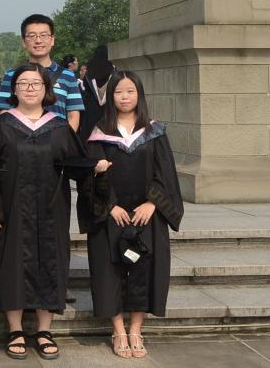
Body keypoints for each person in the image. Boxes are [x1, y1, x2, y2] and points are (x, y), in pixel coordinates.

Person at [0, 62, 105, 361]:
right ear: (14, 89)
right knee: (11, 263)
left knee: (50, 262)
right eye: (23, 83)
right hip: (11, 209)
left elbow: (76, 168)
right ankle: (15, 329)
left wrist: (95, 170)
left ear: (46, 89)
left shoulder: (59, 127)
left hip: (51, 210)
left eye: (36, 83)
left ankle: (44, 330)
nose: (29, 89)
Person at [81, 71, 183, 360]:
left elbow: (166, 173)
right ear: (109, 96)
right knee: (107, 271)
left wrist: (153, 203)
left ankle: (136, 329)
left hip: (146, 215)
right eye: (118, 92)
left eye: (130, 91)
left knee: (145, 270)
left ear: (139, 94)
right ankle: (118, 330)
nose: (124, 97)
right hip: (110, 215)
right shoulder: (99, 132)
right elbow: (89, 176)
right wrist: (109, 205)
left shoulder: (154, 131)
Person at [0, 14, 84, 133]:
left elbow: (73, 115)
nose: (38, 40)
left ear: (52, 40)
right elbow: (4, 112)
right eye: (32, 36)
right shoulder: (11, 75)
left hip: (57, 140)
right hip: (18, 140)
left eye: (44, 35)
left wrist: (65, 140)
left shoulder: (68, 76)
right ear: (24, 41)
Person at [77, 45, 116, 143]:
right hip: (109, 109)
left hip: (92, 109)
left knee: (90, 138)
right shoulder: (113, 71)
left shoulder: (89, 72)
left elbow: (86, 90)